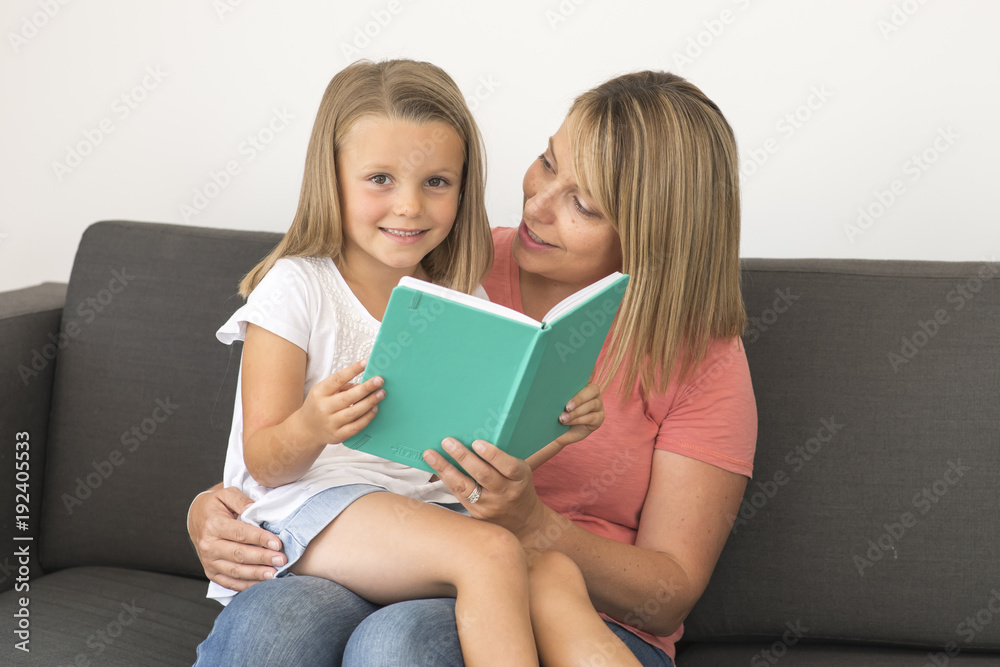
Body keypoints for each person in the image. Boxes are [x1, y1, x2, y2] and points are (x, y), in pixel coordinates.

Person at [190, 69, 757, 666]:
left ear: (653, 233)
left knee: (400, 641)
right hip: (410, 543)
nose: (537, 205)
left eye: (583, 205)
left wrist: (532, 520)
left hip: (588, 610)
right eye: (546, 161)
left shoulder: (704, 355)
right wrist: (213, 509)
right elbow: (291, 429)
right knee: (272, 621)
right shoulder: (444, 261)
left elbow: (667, 597)